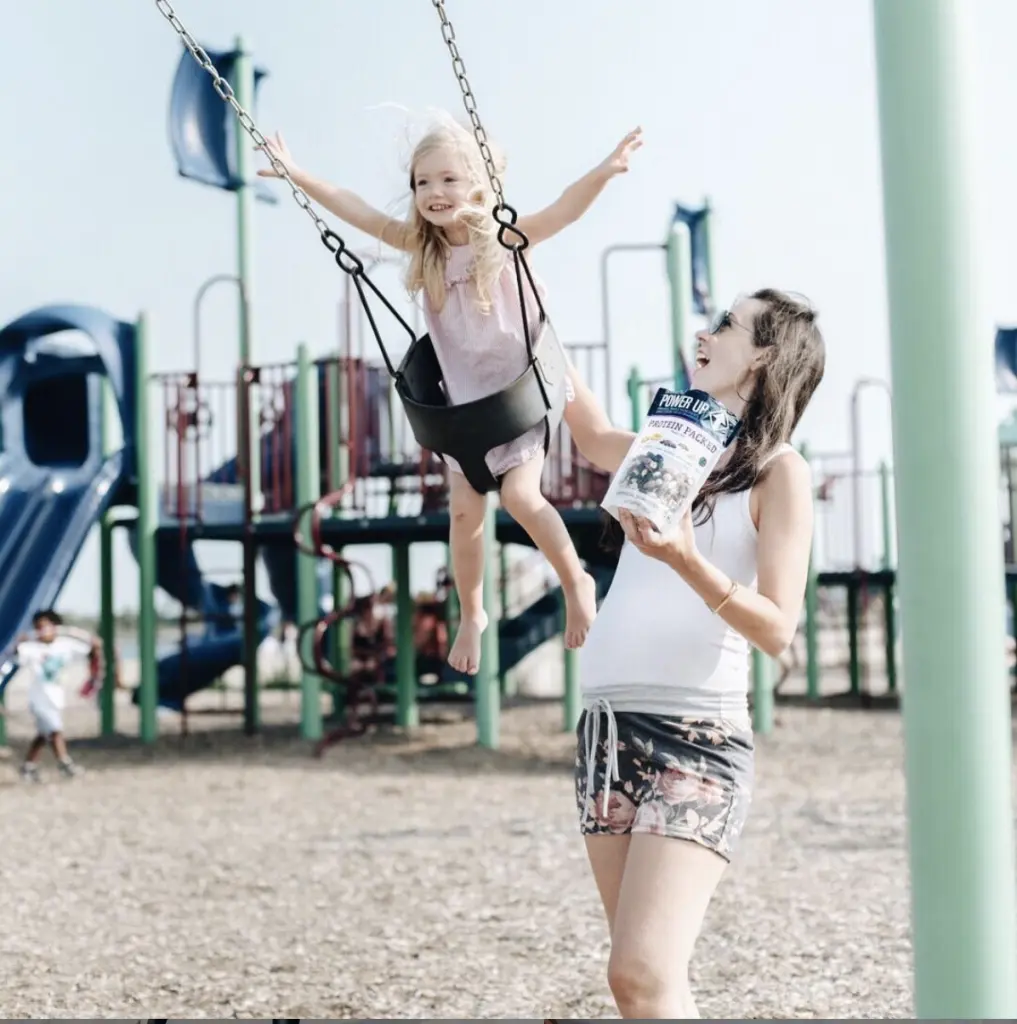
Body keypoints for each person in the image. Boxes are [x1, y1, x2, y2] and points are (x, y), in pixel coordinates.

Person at [255, 117, 643, 675]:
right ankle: (472, 613)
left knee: (531, 490)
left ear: (479, 186)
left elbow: (564, 209)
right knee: (464, 515)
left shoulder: (504, 239)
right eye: (422, 183)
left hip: (524, 387)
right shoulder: (424, 248)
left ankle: (577, 579)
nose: (433, 192)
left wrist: (604, 171)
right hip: (470, 407)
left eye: (448, 180)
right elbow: (355, 209)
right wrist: (297, 174)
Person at [564, 290, 825, 1019]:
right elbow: (590, 434)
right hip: (605, 732)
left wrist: (684, 559)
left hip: (695, 740)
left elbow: (777, 630)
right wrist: (531, 315)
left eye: (726, 325)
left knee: (641, 972)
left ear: (765, 356)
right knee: (644, 983)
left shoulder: (780, 471)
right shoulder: (669, 442)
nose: (703, 335)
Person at [16, 609, 101, 782]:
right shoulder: (31, 648)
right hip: (39, 699)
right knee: (55, 730)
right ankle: (65, 763)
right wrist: (18, 643)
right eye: (39, 627)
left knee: (43, 734)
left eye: (47, 626)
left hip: (56, 698)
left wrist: (93, 644)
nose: (43, 630)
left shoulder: (65, 645)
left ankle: (28, 766)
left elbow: (91, 649)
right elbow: (15, 654)